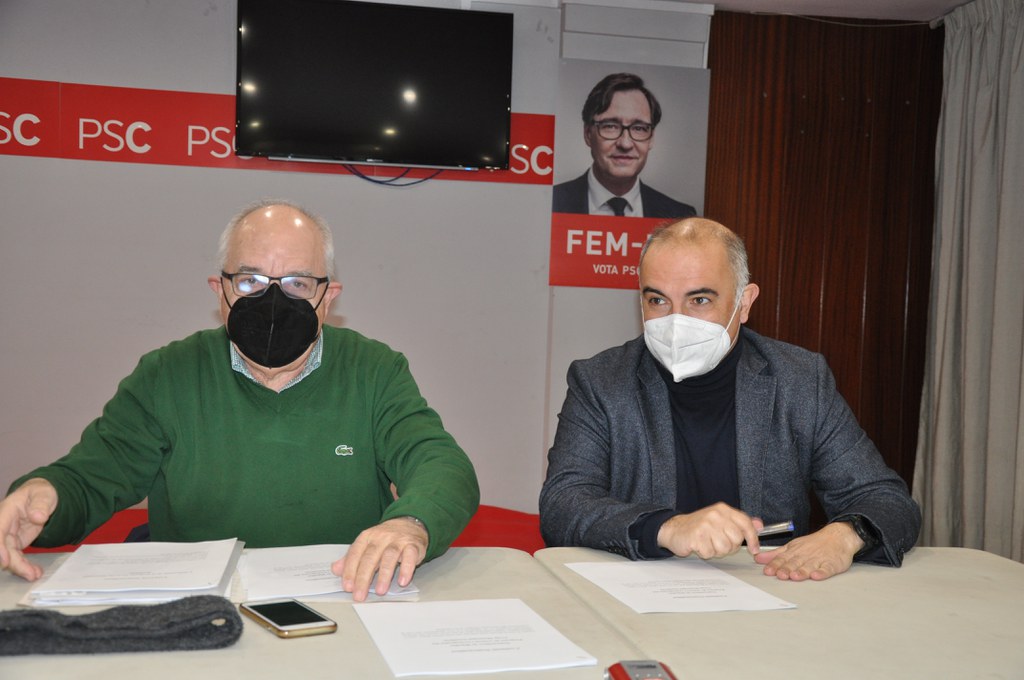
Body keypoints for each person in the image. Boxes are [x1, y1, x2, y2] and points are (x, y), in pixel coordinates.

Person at [0, 200, 479, 600]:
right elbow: (92, 477)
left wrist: (410, 522)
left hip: (344, 596)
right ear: (220, 290)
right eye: (250, 281)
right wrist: (44, 496)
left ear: (328, 298)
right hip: (195, 608)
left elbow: (439, 463)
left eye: (297, 283)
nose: (272, 301)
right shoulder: (168, 374)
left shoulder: (373, 370)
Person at [540, 217, 920, 580]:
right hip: (638, 596)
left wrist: (844, 535)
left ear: (744, 302)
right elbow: (562, 505)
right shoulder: (601, 381)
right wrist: (667, 528)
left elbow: (886, 499)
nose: (676, 321)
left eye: (699, 300)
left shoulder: (800, 380)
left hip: (768, 585)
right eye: (657, 300)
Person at [552, 72, 697, 219]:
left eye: (639, 128)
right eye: (610, 126)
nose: (625, 144)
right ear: (588, 134)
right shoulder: (549, 203)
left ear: (651, 138)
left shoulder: (680, 218)